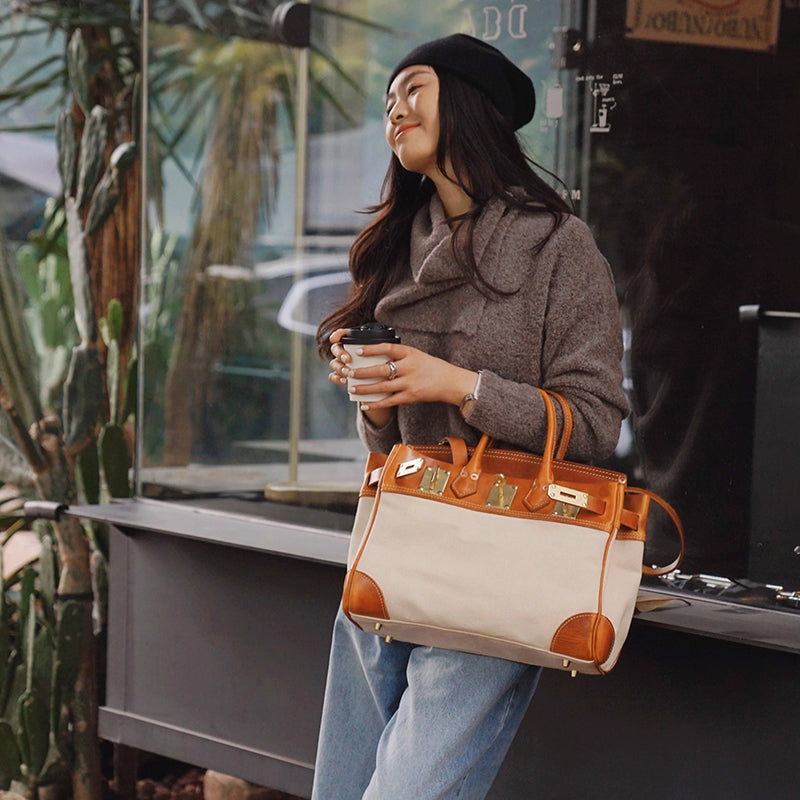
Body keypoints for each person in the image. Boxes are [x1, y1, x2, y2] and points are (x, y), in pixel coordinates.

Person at [312, 33, 628, 800]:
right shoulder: (398, 246)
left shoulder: (558, 245)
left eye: (412, 89)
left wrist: (457, 383)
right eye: (387, 99)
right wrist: (375, 391)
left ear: (469, 104)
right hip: (394, 546)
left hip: (498, 553)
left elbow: (594, 424)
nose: (394, 109)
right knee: (342, 784)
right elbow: (388, 442)